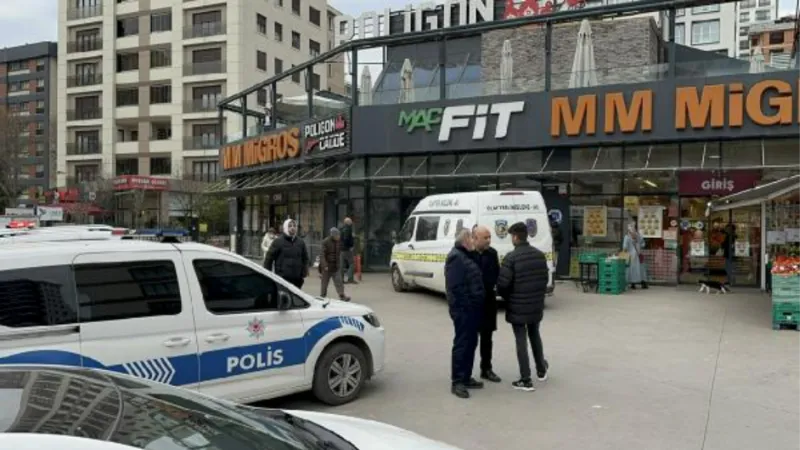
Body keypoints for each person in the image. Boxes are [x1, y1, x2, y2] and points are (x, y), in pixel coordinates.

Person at [497, 222, 550, 392]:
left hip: (517, 306)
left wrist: (509, 299)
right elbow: (545, 280)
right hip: (535, 304)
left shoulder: (510, 258)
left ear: (515, 237)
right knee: (535, 335)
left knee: (521, 340)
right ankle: (541, 370)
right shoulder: (540, 256)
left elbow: (503, 285)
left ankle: (525, 379)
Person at [445, 229, 485, 399]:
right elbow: (456, 288)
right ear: (465, 241)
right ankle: (458, 382)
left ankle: (466, 377)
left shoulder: (466, 256)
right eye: (472, 239)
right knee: (462, 344)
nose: (474, 242)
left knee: (471, 343)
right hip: (463, 311)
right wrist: (466, 306)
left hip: (472, 310)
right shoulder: (456, 257)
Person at [472, 225, 501, 383]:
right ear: (475, 238)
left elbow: (497, 274)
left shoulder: (492, 253)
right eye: (486, 237)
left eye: (490, 237)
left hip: (489, 301)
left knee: (487, 338)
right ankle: (466, 372)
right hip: (473, 303)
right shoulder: (468, 254)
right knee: (470, 339)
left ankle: (486, 369)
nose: (489, 240)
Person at [264, 218, 309, 289]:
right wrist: (267, 274)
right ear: (285, 228)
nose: (292, 228)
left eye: (294, 226)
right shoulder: (278, 241)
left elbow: (305, 258)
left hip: (297, 278)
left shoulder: (300, 242)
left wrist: (304, 271)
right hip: (282, 278)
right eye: (290, 226)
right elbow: (269, 258)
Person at [320, 227, 351, 301]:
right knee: (324, 283)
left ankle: (342, 296)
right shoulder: (325, 242)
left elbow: (339, 252)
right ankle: (322, 297)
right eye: (338, 235)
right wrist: (325, 265)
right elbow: (322, 255)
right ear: (333, 235)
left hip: (335, 266)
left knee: (339, 282)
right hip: (327, 266)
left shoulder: (338, 242)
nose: (339, 237)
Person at [623, 222, 648, 289]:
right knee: (641, 269)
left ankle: (633, 284)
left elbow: (625, 248)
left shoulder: (627, 237)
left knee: (632, 269)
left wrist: (624, 251)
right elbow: (643, 244)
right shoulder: (639, 236)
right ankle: (643, 283)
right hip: (639, 254)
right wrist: (639, 245)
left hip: (631, 256)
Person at [340, 217, 357, 284]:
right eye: (350, 221)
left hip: (341, 249)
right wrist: (350, 246)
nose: (351, 222)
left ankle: (341, 279)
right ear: (348, 222)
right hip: (347, 249)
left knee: (342, 265)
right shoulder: (348, 229)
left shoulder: (342, 228)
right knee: (352, 263)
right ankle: (350, 279)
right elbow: (346, 239)